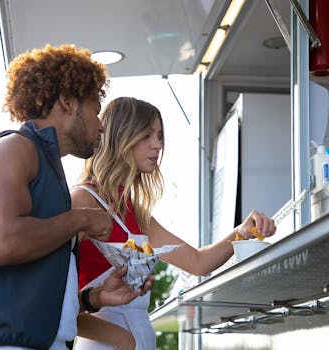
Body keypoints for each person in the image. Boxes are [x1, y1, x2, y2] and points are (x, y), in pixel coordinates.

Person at [0, 45, 153, 350]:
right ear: (66, 101)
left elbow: (32, 287)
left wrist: (94, 298)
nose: (101, 124)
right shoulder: (12, 149)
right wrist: (82, 219)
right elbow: (3, 243)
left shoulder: (46, 167)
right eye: (95, 108)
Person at [71, 97, 277, 350]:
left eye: (159, 136)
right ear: (120, 137)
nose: (158, 145)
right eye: (147, 135)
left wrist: (241, 232)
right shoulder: (82, 200)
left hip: (139, 340)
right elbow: (54, 301)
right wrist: (119, 338)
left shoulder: (136, 212)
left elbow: (198, 263)